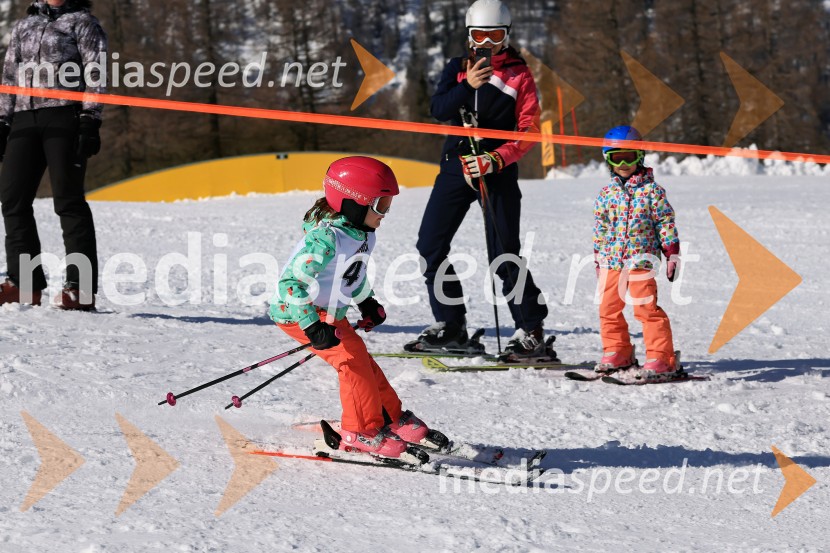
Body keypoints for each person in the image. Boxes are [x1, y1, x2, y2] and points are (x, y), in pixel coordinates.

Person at [408, 0, 549, 359]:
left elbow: (529, 130)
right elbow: (438, 109)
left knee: (503, 253)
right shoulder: (457, 68)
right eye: (480, 35)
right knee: (430, 245)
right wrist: (467, 85)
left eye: (495, 35)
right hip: (456, 167)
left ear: (507, 35)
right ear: (469, 36)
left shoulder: (519, 75)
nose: (488, 43)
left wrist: (496, 158)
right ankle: (451, 324)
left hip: (496, 170)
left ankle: (531, 329)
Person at [270, 156, 432, 459]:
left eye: (388, 204)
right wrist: (311, 325)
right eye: (381, 205)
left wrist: (366, 302)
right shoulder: (326, 239)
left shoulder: (362, 233)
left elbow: (351, 274)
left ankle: (390, 418)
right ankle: (359, 432)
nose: (385, 213)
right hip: (298, 312)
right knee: (351, 360)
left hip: (331, 311)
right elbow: (291, 284)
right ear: (354, 203)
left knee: (363, 363)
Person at [0, 0, 106, 310]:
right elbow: (9, 76)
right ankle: (24, 284)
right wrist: (2, 121)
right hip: (24, 117)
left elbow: (96, 71)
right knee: (13, 200)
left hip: (64, 116)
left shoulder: (82, 22)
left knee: (68, 200)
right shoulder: (24, 25)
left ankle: (80, 289)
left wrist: (90, 119)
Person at [593, 125, 682, 379]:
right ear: (608, 160)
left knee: (645, 309)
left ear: (640, 157)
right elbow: (601, 228)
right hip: (612, 261)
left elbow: (665, 223)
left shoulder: (652, 191)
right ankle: (617, 351)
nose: (623, 164)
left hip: (641, 261)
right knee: (608, 308)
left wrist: (672, 252)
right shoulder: (606, 194)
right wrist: (599, 256)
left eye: (629, 157)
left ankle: (661, 358)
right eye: (616, 158)